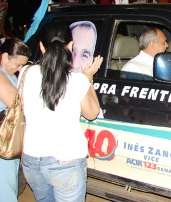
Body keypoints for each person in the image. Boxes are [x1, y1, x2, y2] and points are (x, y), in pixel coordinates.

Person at [19, 22, 103, 201]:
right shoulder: (77, 80)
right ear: (71, 46)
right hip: (66, 161)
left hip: (32, 161)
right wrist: (89, 79)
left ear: (41, 47)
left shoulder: (26, 73)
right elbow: (92, 113)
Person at [0, 38, 31, 202]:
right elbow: (17, 103)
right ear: (5, 57)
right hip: (3, 141)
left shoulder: (8, 75)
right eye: (18, 64)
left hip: (8, 141)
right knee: (5, 189)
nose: (20, 69)